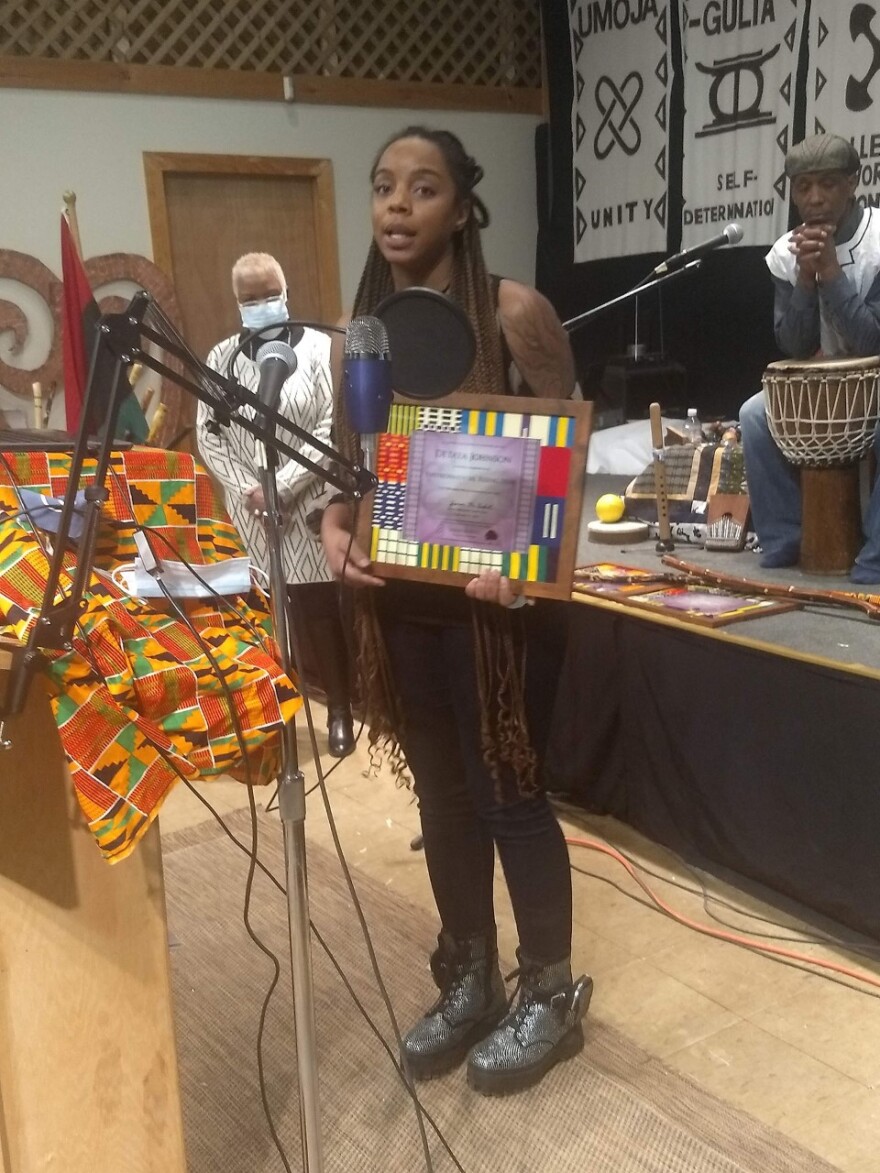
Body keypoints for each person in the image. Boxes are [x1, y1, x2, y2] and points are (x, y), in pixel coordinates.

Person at [319, 126, 591, 1096]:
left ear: (462, 208)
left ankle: (551, 994)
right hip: (407, 596)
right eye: (383, 185)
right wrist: (336, 518)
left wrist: (527, 564)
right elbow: (359, 457)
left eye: (421, 188)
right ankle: (470, 975)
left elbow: (563, 445)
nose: (396, 205)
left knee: (507, 792)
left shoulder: (515, 310)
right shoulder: (369, 321)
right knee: (441, 797)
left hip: (497, 611)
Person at [197, 252, 355, 757]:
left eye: (269, 295)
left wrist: (282, 485)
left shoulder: (318, 351)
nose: (261, 305)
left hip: (307, 502)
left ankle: (340, 710)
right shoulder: (220, 358)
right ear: (236, 303)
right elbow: (209, 434)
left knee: (317, 610)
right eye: (250, 298)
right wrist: (250, 488)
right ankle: (271, 713)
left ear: (285, 293)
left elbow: (331, 426)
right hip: (249, 511)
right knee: (261, 616)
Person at [739, 133, 880, 582]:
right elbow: (794, 346)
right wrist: (804, 278)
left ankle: (876, 554)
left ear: (853, 182)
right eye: (803, 187)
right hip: (825, 383)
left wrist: (833, 275)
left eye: (828, 184)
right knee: (755, 415)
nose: (814, 198)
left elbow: (873, 341)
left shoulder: (878, 240)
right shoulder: (786, 253)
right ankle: (785, 539)